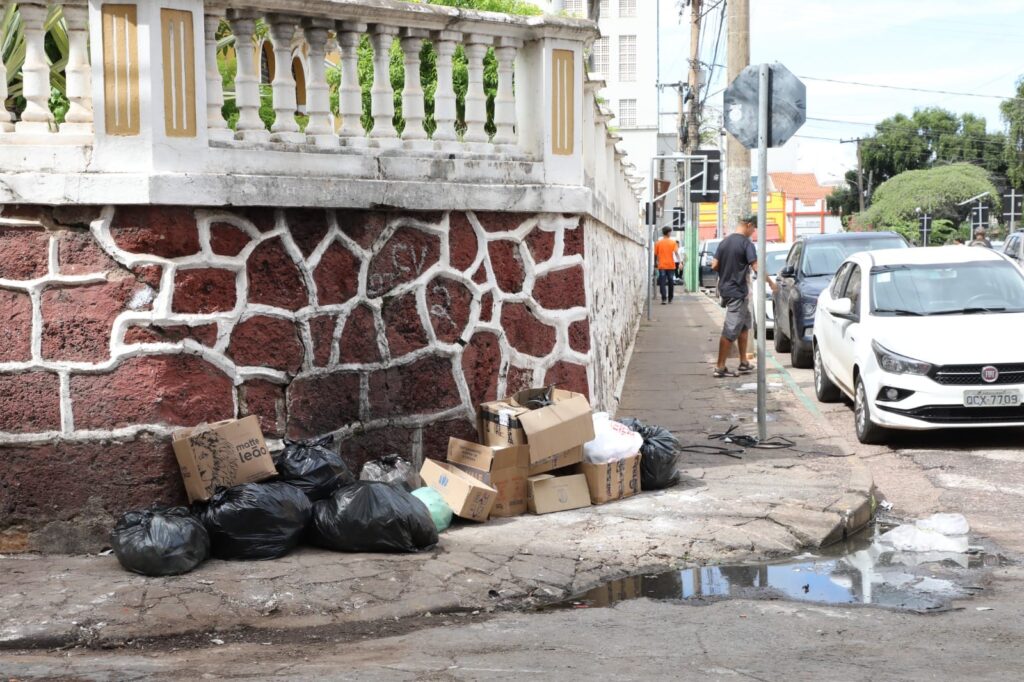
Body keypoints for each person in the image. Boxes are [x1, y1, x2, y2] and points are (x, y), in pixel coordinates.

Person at [711, 214, 777, 377]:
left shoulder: (724, 242)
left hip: (727, 290)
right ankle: (720, 367)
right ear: (748, 225)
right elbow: (756, 267)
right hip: (737, 292)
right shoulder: (746, 243)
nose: (754, 231)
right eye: (754, 228)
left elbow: (714, 265)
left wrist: (728, 271)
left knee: (744, 325)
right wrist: (770, 282)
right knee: (730, 329)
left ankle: (744, 362)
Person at [654, 226, 679, 304]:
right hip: (671, 265)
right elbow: (676, 253)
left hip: (662, 266)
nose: (670, 233)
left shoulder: (658, 243)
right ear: (668, 233)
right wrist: (680, 262)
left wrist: (655, 263)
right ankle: (670, 298)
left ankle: (664, 298)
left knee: (662, 282)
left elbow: (655, 254)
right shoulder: (673, 242)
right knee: (671, 282)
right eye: (670, 232)